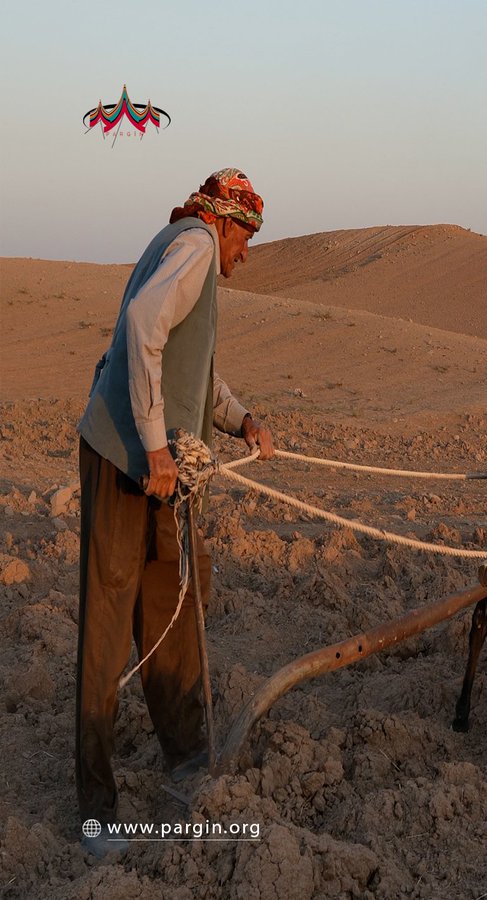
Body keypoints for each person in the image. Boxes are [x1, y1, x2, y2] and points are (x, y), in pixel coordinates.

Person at [74, 168, 275, 856]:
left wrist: (242, 419)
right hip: (124, 459)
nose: (246, 254)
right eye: (247, 236)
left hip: (161, 473)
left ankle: (187, 763)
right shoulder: (193, 245)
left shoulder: (193, 258)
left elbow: (195, 369)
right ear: (226, 221)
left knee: (172, 608)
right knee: (107, 625)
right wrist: (157, 447)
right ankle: (97, 812)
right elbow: (140, 326)